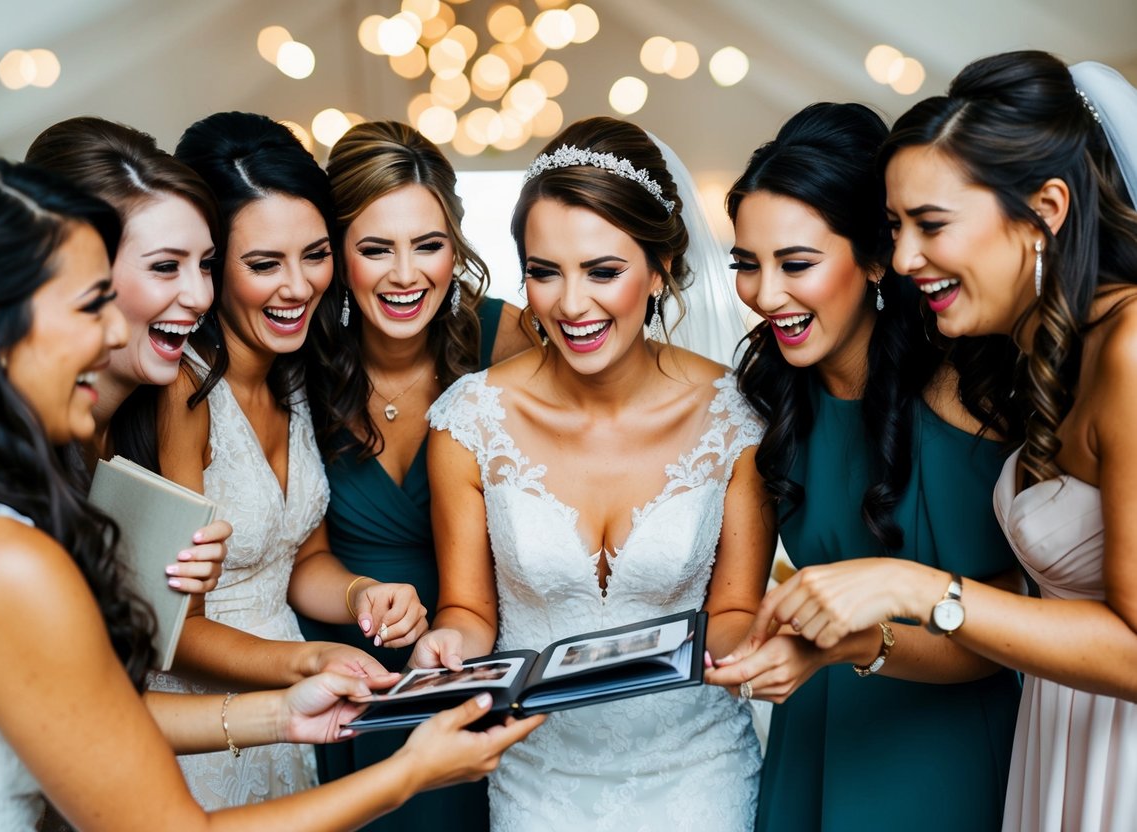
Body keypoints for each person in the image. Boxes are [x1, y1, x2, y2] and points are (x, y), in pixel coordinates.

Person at [0, 135, 543, 832]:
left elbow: (91, 704)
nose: (111, 334)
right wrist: (407, 773)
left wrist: (284, 707)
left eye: (204, 266)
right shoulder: (1, 557)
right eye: (90, 303)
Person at [748, 52, 1137, 830]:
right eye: (893, 227)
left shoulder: (1130, 351)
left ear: (1046, 208)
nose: (902, 260)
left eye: (929, 225)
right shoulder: (1047, 354)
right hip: (1056, 737)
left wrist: (919, 587)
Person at [413, 116, 774, 830]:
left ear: (660, 267)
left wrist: (756, 647)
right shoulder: (468, 422)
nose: (570, 305)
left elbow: (732, 611)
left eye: (602, 271)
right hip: (537, 777)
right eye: (544, 273)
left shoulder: (736, 418)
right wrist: (445, 645)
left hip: (697, 775)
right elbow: (470, 612)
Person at [703, 102, 1024, 831]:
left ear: (877, 259)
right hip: (815, 725)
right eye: (746, 265)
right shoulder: (770, 400)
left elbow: (1007, 628)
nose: (764, 294)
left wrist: (848, 644)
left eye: (796, 264)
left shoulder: (965, 393)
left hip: (944, 750)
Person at [151, 112, 427, 808]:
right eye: (264, 264)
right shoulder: (180, 389)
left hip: (288, 714)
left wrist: (362, 593)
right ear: (210, 263)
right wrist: (305, 658)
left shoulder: (299, 373)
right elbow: (170, 624)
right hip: (199, 719)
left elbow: (303, 563)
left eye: (314, 254)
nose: (298, 286)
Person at [298, 120, 529, 831]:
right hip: (346, 669)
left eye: (428, 246)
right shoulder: (299, 357)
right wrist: (361, 594)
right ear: (337, 253)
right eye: (375, 250)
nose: (406, 275)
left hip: (477, 659)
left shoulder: (512, 338)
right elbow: (303, 558)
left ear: (455, 246)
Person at [24, 116, 228, 596]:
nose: (199, 295)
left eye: (205, 265)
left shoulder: (159, 415)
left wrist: (174, 582)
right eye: (165, 266)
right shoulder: (16, 446)